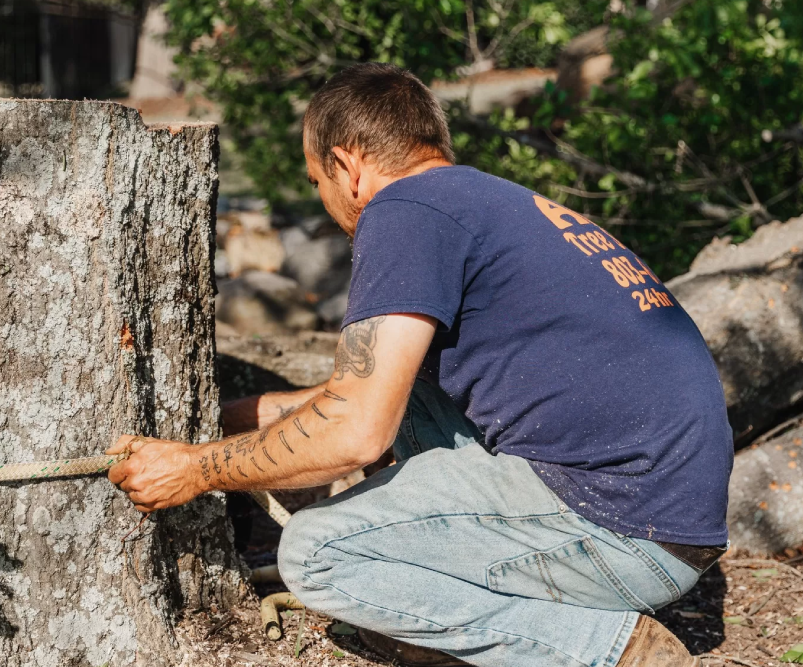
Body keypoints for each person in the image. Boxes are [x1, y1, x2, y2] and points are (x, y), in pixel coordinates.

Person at [106, 62, 732, 667]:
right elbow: (357, 395)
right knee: (407, 401)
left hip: (620, 529)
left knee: (318, 555)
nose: (323, 202)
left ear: (346, 166)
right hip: (661, 514)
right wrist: (214, 427)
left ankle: (606, 650)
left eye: (314, 183)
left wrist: (198, 470)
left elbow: (355, 431)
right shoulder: (486, 203)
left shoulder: (404, 212)